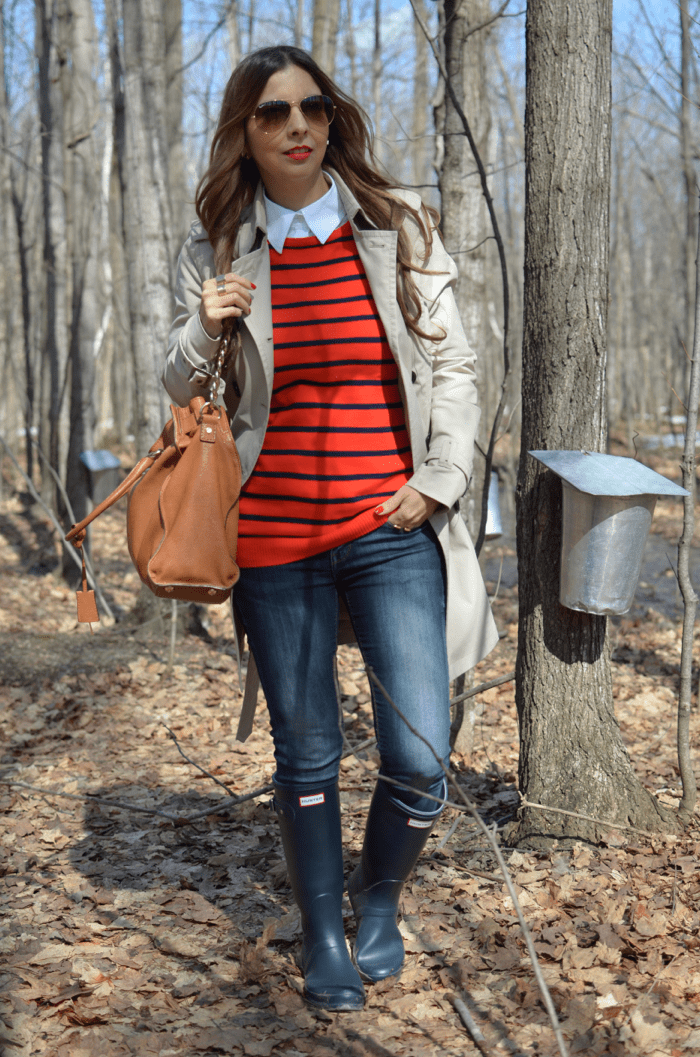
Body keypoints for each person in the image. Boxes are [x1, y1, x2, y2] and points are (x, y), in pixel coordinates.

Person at [163, 45, 499, 1012]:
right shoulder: (221, 249)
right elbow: (178, 397)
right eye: (274, 113)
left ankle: (378, 899)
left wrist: (437, 481)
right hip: (272, 542)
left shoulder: (395, 228)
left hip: (393, 528)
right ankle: (322, 935)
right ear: (247, 132)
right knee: (306, 753)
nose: (298, 125)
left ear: (334, 117)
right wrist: (203, 329)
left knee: (421, 754)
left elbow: (456, 365)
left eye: (312, 106)